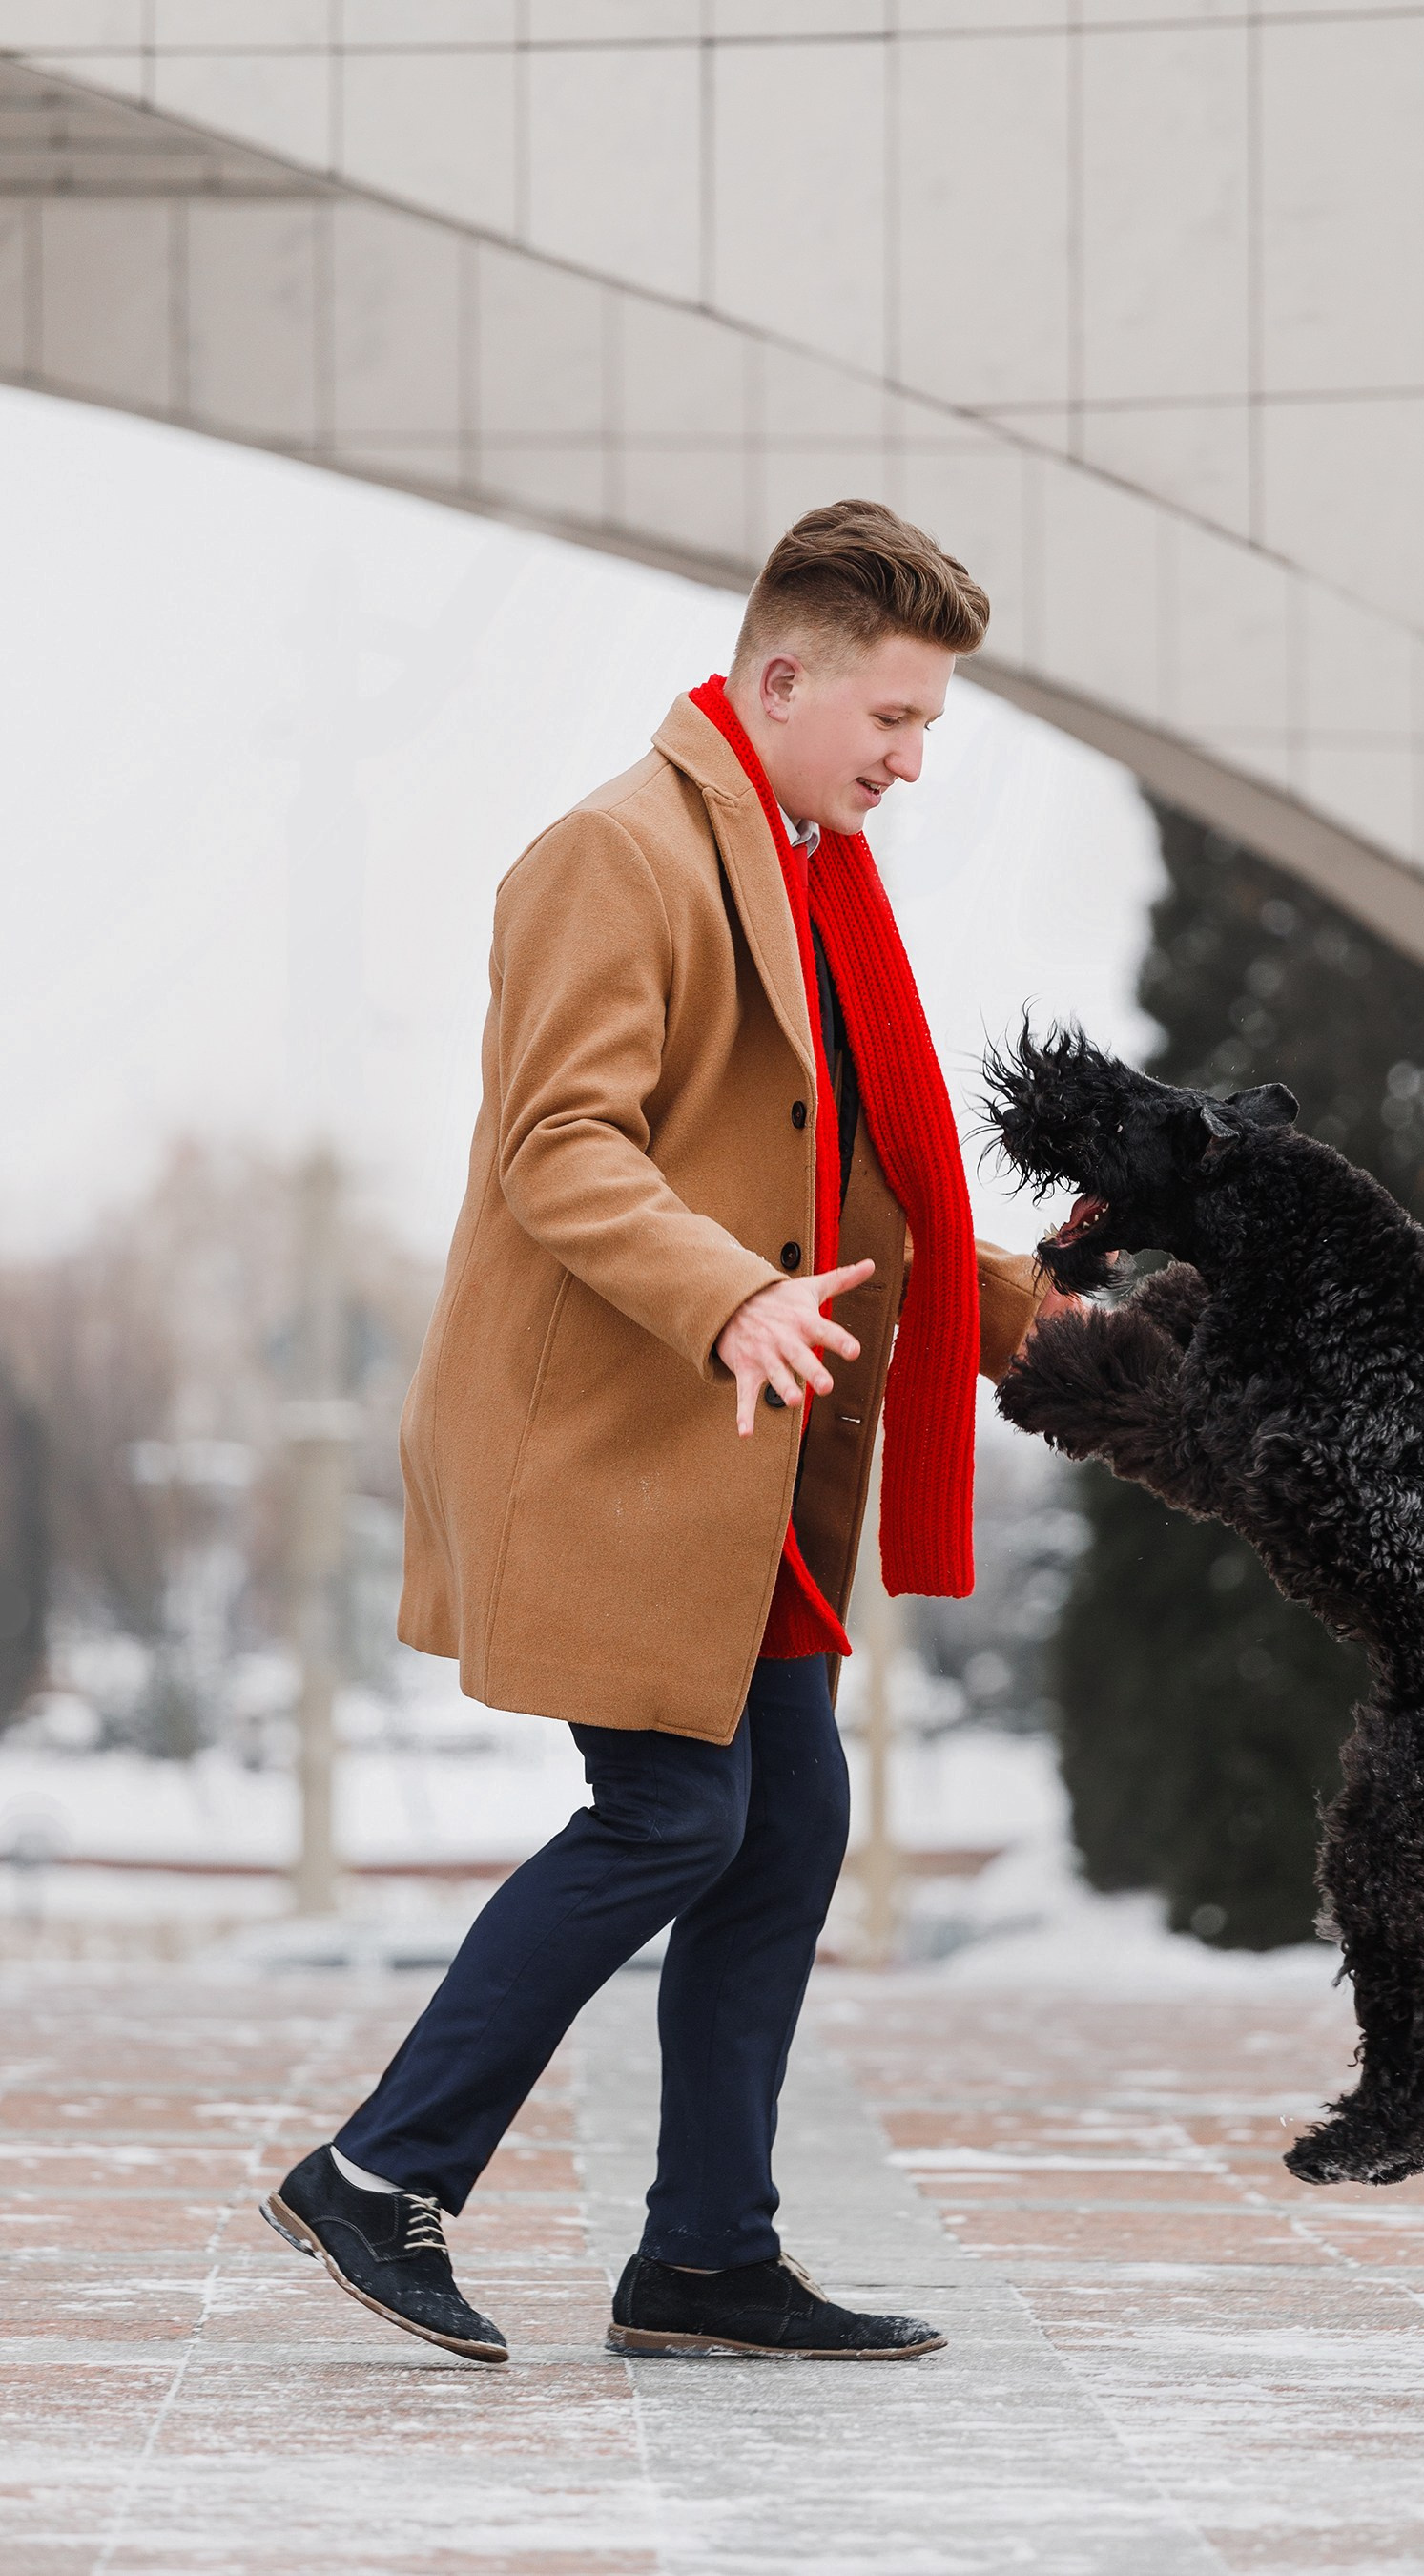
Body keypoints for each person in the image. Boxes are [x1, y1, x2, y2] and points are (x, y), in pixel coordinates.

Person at [262, 500, 1079, 2364]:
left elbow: (857, 1193)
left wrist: (1038, 1315)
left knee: (785, 1823)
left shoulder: (806, 877)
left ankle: (706, 2257)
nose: (911, 756)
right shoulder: (615, 857)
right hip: (612, 1445)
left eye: (932, 724)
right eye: (892, 715)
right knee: (676, 1813)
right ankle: (380, 2174)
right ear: (776, 680)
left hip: (734, 1449)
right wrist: (725, 1294)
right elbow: (560, 1146)